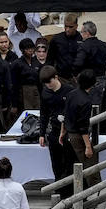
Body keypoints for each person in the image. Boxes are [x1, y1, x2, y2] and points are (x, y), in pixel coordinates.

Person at [38, 65, 74, 197]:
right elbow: (44, 113)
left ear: (56, 77)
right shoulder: (45, 92)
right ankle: (59, 189)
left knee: (67, 162)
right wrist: (41, 133)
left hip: (68, 131)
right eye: (46, 83)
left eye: (50, 82)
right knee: (56, 163)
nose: (48, 85)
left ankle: (68, 191)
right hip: (54, 130)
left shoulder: (69, 90)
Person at [75, 21, 106, 130]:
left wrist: (77, 74)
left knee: (87, 108)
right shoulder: (103, 45)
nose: (81, 34)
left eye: (82, 32)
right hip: (102, 80)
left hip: (87, 81)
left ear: (87, 33)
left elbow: (78, 64)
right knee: (102, 108)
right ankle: (103, 132)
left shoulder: (84, 47)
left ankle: (89, 133)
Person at [63, 69, 97, 176]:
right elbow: (83, 126)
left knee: (70, 166)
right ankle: (95, 191)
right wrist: (88, 146)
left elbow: (65, 115)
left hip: (68, 134)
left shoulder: (70, 94)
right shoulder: (86, 101)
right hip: (78, 137)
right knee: (90, 169)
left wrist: (62, 132)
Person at [11, 38, 43, 116]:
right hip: (23, 93)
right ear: (22, 50)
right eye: (27, 49)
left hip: (36, 92)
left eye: (32, 48)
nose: (30, 50)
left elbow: (40, 82)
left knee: (37, 114)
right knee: (26, 115)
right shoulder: (17, 63)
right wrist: (14, 104)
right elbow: (14, 84)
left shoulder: (36, 62)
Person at [46, 12, 83, 80]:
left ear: (76, 26)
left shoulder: (82, 39)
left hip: (77, 78)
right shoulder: (56, 39)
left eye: (70, 27)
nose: (67, 29)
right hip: (60, 77)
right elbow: (49, 60)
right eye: (66, 26)